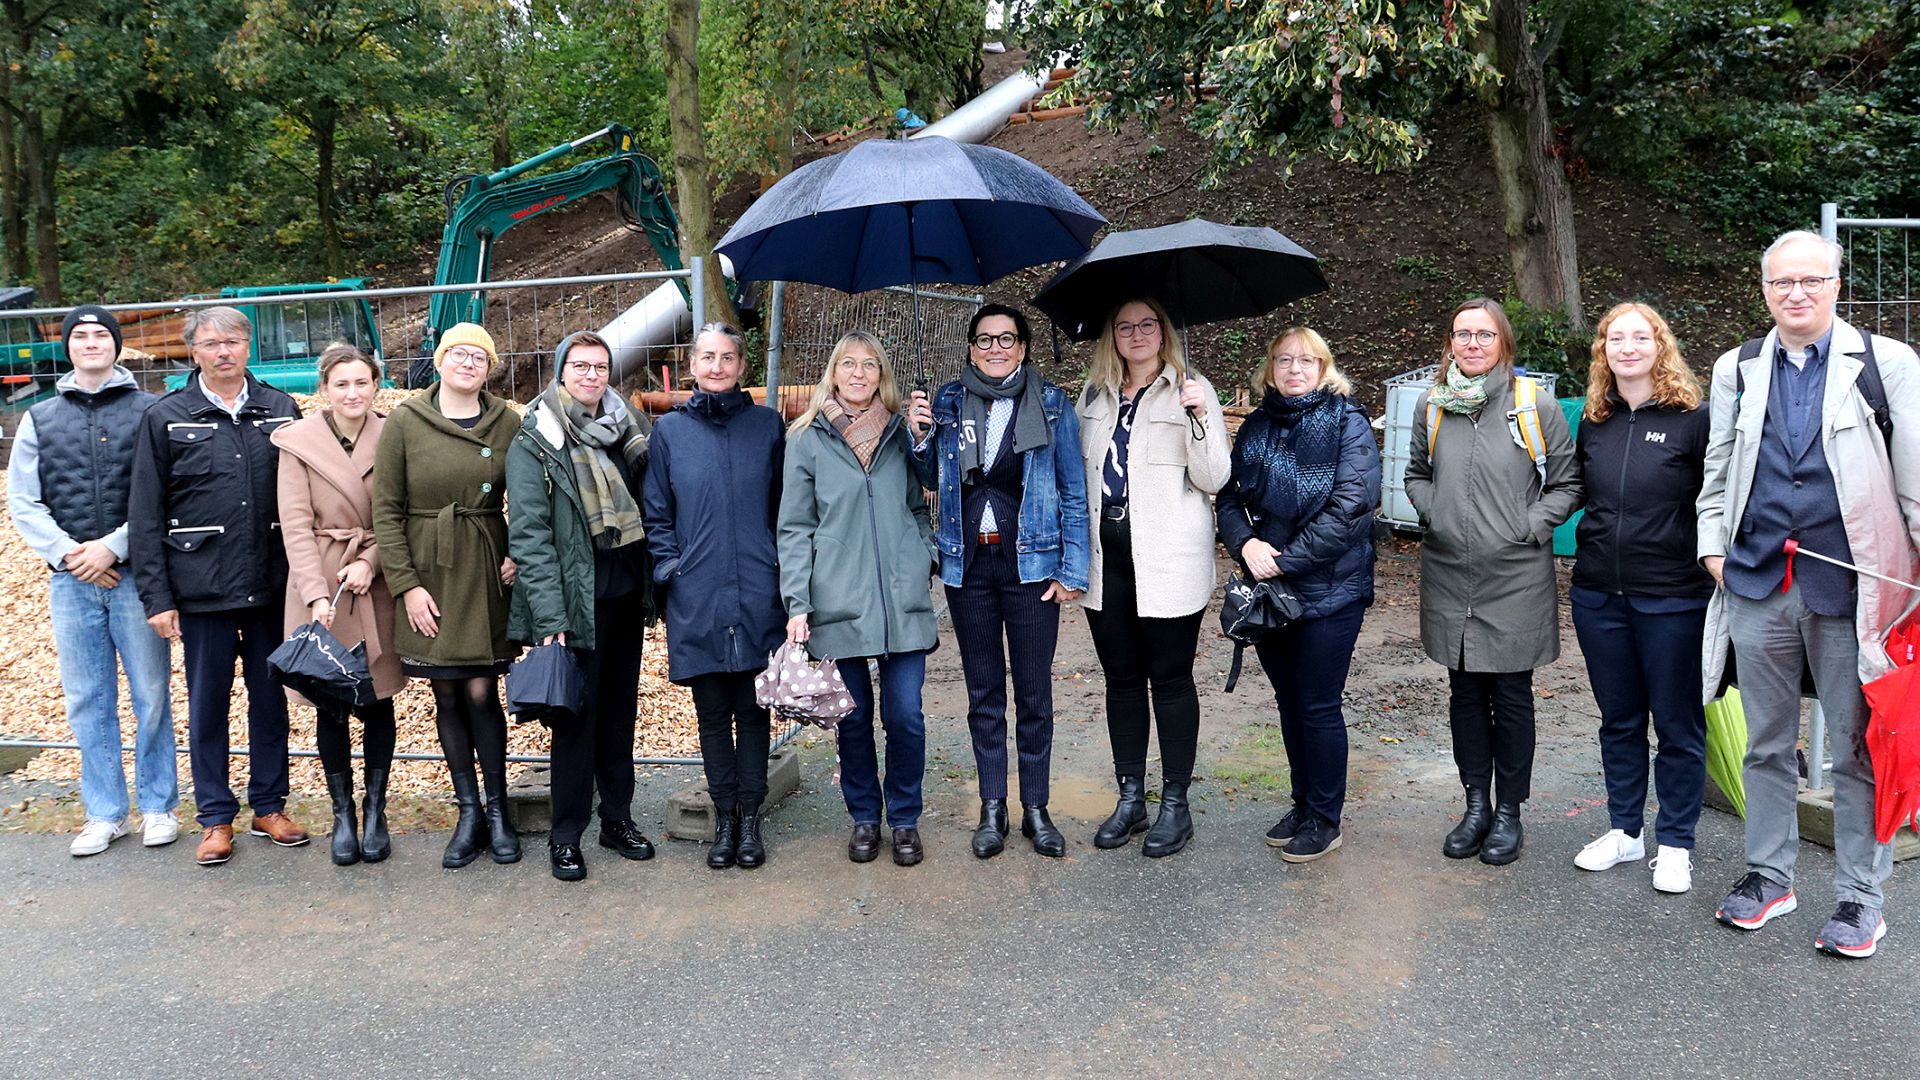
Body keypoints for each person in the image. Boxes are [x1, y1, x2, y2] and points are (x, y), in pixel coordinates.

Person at [1698, 230, 1920, 958]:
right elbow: (1720, 462)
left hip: (1853, 588)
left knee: (1858, 748)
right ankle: (1770, 876)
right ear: (1763, 290)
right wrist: (1711, 547)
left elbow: (1914, 477)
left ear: (1835, 284)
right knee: (1767, 744)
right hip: (1759, 582)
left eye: (1810, 281)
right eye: (1781, 283)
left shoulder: (1887, 365)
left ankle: (1861, 897)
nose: (1796, 294)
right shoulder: (1740, 365)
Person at [907, 303, 1090, 859]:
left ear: (1024, 347)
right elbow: (926, 478)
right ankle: (993, 808)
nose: (995, 349)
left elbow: (1073, 491)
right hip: (970, 569)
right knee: (984, 693)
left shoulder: (1053, 404)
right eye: (984, 340)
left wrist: (1073, 568)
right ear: (969, 348)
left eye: (1006, 339)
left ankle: (1035, 807)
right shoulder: (947, 401)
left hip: (1031, 568)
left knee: (1034, 693)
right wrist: (918, 437)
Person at [1404, 298, 1581, 866]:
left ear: (1503, 342)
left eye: (1483, 335)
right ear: (1450, 344)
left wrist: (1528, 527)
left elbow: (1568, 482)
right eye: (1462, 335)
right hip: (1451, 570)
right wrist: (1436, 513)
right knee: (1463, 693)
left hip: (1516, 574)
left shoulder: (1533, 404)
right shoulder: (1434, 406)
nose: (1472, 344)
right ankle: (1475, 804)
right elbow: (1415, 472)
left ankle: (1510, 812)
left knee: (1511, 695)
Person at [129, 305, 306, 867]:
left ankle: (269, 805)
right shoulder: (166, 416)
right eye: (211, 343)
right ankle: (213, 817)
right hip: (200, 589)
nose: (223, 351)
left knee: (270, 699)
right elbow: (146, 513)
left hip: (271, 586)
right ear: (193, 351)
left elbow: (304, 498)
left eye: (233, 341)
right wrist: (156, 598)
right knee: (208, 706)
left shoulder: (280, 408)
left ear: (249, 346)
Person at [8, 306, 176, 856]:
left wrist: (112, 546)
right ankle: (105, 813)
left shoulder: (150, 411)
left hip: (136, 578)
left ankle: (158, 806)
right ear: (68, 346)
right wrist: (69, 554)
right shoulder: (39, 419)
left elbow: (162, 493)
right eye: (79, 335)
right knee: (88, 699)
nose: (90, 343)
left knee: (151, 694)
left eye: (100, 334)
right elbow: (24, 501)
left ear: (117, 345)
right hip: (71, 580)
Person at [1216, 327, 1380, 863]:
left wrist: (1283, 561)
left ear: (1325, 367)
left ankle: (1326, 818)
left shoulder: (1347, 425)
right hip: (1270, 592)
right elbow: (1229, 498)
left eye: (1306, 361)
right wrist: (1247, 544)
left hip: (1329, 591)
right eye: (1284, 360)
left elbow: (1351, 510)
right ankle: (1303, 802)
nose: (1294, 369)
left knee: (1317, 704)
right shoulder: (1258, 426)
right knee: (1290, 702)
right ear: (1270, 368)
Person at [1074, 297, 1229, 859]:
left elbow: (1214, 477)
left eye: (1146, 325)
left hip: (1168, 560)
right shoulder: (1093, 395)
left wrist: (1201, 419)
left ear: (1163, 333)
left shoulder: (1193, 389)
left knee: (1168, 678)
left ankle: (1176, 805)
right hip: (1105, 559)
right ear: (1112, 336)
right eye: (1124, 327)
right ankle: (1131, 796)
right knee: (1120, 678)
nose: (1136, 335)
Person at [778, 331, 938, 867]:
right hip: (836, 600)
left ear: (882, 374)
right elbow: (795, 527)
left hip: (901, 598)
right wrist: (797, 601)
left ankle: (906, 818)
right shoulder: (807, 438)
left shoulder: (901, 431)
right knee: (853, 716)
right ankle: (865, 817)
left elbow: (922, 500)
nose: (859, 373)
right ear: (833, 371)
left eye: (870, 364)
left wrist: (924, 555)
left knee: (906, 715)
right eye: (848, 363)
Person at [1567, 304, 1712, 894]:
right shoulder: (1595, 420)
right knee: (1619, 720)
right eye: (1616, 338)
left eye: (1640, 337)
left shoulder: (1692, 419)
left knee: (1678, 724)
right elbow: (1576, 490)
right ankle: (1626, 831)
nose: (1628, 348)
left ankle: (1675, 842)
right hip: (1599, 593)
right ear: (1603, 350)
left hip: (1674, 596)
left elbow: (1715, 500)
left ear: (1661, 346)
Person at [506, 331, 658, 882]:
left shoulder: (629, 428)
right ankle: (565, 834)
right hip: (573, 605)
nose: (592, 375)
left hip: (621, 596)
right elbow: (529, 535)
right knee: (574, 719)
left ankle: (616, 819)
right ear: (560, 371)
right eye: (580, 366)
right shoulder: (537, 439)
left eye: (600, 366)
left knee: (619, 714)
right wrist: (550, 619)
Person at [371, 322, 521, 870]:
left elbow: (529, 493)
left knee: (483, 691)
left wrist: (519, 552)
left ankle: (500, 811)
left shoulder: (507, 421)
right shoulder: (406, 422)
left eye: (479, 357)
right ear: (439, 362)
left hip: (483, 564)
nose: (468, 364)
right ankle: (468, 813)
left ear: (489, 368)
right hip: (428, 567)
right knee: (447, 694)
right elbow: (385, 510)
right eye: (458, 354)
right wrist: (407, 586)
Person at [644, 323, 786, 870]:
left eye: (728, 357)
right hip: (697, 590)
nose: (718, 366)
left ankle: (750, 820)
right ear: (692, 365)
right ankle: (723, 819)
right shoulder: (670, 432)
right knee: (710, 711)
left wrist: (777, 564)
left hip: (757, 586)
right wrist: (672, 567)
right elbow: (656, 508)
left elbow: (784, 506)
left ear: (742, 365)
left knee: (753, 710)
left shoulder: (767, 426)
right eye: (707, 357)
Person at [272, 342, 403, 867]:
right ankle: (342, 812)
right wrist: (315, 593)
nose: (352, 392)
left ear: (377, 385)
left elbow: (403, 514)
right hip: (322, 580)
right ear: (323, 389)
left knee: (377, 696)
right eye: (341, 384)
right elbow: (296, 527)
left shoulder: (394, 433)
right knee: (329, 700)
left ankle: (376, 810)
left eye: (362, 382)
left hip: (376, 577)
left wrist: (372, 561)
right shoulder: (296, 442)